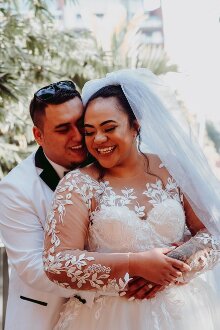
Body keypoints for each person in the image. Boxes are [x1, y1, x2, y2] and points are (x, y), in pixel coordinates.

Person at [43, 69, 220, 330]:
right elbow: (57, 263)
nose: (98, 139)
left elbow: (211, 233)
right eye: (89, 131)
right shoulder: (78, 185)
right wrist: (135, 264)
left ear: (136, 124)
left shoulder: (174, 169)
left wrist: (169, 269)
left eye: (109, 127)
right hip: (107, 319)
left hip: (184, 315)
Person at [0, 80, 88, 330]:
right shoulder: (14, 188)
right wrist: (113, 282)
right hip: (43, 319)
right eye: (63, 129)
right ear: (38, 135)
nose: (78, 136)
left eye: (80, 124)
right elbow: (34, 268)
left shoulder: (106, 162)